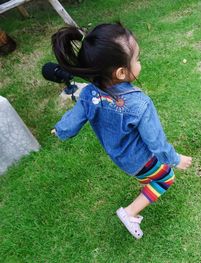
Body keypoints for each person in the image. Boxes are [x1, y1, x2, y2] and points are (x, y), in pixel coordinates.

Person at [50, 22, 192, 239]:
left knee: (149, 175)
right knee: (165, 178)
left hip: (119, 156)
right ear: (122, 72)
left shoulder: (90, 93)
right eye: (137, 59)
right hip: (139, 159)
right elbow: (156, 142)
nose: (140, 63)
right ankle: (130, 212)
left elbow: (74, 119)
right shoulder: (139, 103)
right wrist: (175, 159)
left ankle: (145, 182)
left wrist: (61, 131)